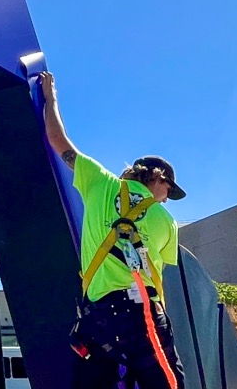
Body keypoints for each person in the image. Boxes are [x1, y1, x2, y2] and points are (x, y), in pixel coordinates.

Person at [38, 71, 186, 389]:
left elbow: (58, 141)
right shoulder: (165, 221)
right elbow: (162, 274)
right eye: (169, 188)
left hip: (97, 318)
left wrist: (51, 99)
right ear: (157, 177)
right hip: (142, 313)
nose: (167, 197)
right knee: (167, 383)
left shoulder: (101, 184)